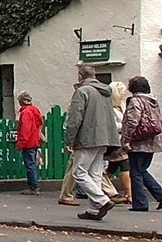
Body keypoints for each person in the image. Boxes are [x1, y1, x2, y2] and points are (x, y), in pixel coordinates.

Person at [65, 65, 120, 221]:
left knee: (79, 172)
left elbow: (75, 118)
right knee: (95, 174)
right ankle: (93, 209)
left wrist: (70, 139)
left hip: (87, 137)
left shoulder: (82, 91)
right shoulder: (105, 93)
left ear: (80, 76)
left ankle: (102, 200)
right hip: (105, 137)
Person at [120, 76, 162, 212]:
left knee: (136, 172)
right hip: (152, 141)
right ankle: (160, 195)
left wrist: (126, 140)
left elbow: (132, 122)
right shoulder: (153, 102)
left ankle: (140, 203)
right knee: (142, 170)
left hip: (138, 142)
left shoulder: (135, 101)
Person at [106, 81, 131, 204]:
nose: (124, 94)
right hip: (115, 141)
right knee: (125, 164)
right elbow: (111, 125)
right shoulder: (110, 108)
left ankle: (104, 188)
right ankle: (128, 194)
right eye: (122, 91)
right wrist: (125, 126)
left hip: (121, 140)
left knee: (113, 167)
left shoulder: (121, 105)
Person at [16, 91, 43, 195]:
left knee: (30, 165)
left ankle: (33, 187)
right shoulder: (34, 109)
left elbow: (25, 130)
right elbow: (40, 122)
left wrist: (20, 144)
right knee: (33, 164)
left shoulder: (25, 112)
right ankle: (34, 186)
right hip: (34, 140)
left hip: (28, 143)